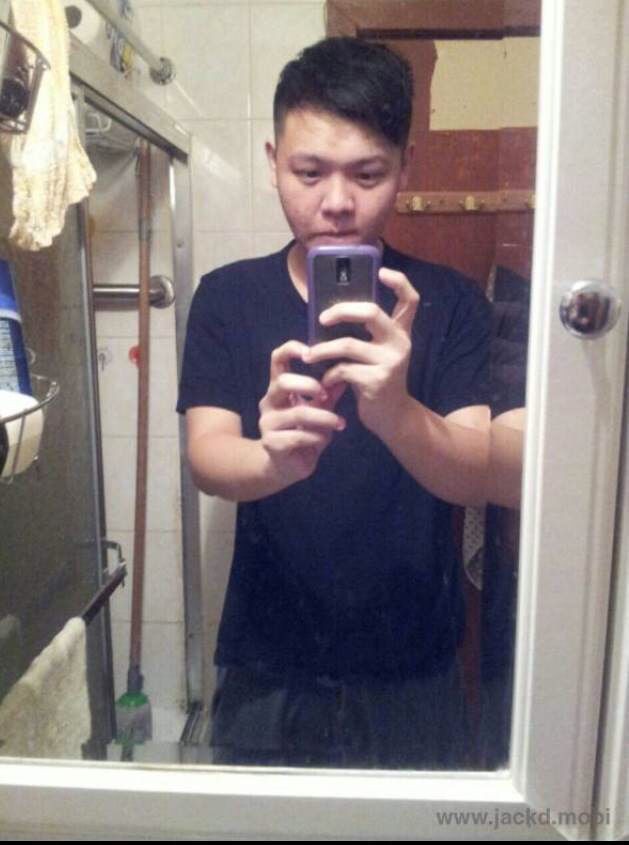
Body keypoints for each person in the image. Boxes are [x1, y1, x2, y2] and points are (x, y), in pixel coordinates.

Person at [177, 37, 491, 769]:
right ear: (272, 161)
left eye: (368, 173)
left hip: (414, 664)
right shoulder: (227, 296)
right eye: (309, 172)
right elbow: (206, 457)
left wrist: (397, 414)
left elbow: (478, 474)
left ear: (406, 167)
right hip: (267, 658)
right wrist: (275, 460)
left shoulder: (449, 302)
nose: (338, 203)